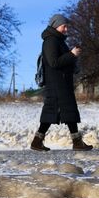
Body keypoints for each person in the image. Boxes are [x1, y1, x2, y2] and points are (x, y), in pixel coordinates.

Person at [30, 14, 93, 152]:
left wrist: (72, 56)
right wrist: (72, 54)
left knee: (66, 111)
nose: (66, 29)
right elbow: (53, 62)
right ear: (56, 25)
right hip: (57, 84)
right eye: (64, 26)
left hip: (61, 83)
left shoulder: (57, 40)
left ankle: (74, 142)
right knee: (55, 111)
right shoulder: (51, 41)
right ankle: (38, 141)